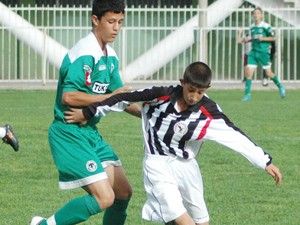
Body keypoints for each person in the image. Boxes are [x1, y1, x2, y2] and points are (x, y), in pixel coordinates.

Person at [65, 61, 283, 225]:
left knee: (201, 221)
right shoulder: (160, 95)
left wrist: (264, 161)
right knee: (180, 218)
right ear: (182, 83)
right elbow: (124, 98)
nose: (194, 96)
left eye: (200, 92)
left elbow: (235, 136)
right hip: (157, 164)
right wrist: (88, 111)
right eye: (191, 90)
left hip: (187, 168)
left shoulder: (209, 112)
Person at [30, 0, 140, 225]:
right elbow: (68, 97)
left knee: (123, 193)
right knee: (104, 197)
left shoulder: (110, 55)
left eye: (120, 22)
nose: (116, 27)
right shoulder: (85, 52)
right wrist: (109, 97)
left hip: (90, 133)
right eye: (111, 21)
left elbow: (120, 98)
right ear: (95, 20)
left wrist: (152, 113)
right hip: (68, 133)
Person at [242, 7, 285, 101]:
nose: (256, 15)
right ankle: (247, 95)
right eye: (254, 13)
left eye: (258, 13)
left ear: (261, 15)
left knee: (268, 73)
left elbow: (274, 38)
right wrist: (247, 39)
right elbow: (251, 38)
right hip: (253, 52)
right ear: (252, 15)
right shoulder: (252, 27)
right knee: (249, 72)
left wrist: (264, 39)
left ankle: (280, 86)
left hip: (264, 53)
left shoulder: (266, 26)